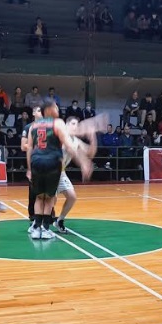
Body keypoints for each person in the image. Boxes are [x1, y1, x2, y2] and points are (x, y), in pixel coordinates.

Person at [27, 98, 93, 239]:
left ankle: (36, 229)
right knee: (50, 197)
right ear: (49, 109)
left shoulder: (33, 126)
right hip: (52, 163)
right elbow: (68, 146)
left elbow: (29, 148)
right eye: (56, 107)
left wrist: (28, 168)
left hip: (36, 162)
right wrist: (82, 164)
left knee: (39, 197)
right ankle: (44, 229)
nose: (58, 109)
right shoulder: (58, 123)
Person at [54, 116, 97, 234]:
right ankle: (39, 224)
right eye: (73, 124)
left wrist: (93, 137)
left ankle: (60, 220)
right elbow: (73, 152)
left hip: (61, 172)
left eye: (77, 124)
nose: (75, 127)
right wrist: (83, 164)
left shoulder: (75, 140)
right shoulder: (61, 137)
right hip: (50, 171)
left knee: (72, 197)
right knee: (51, 200)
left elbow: (90, 153)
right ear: (66, 125)